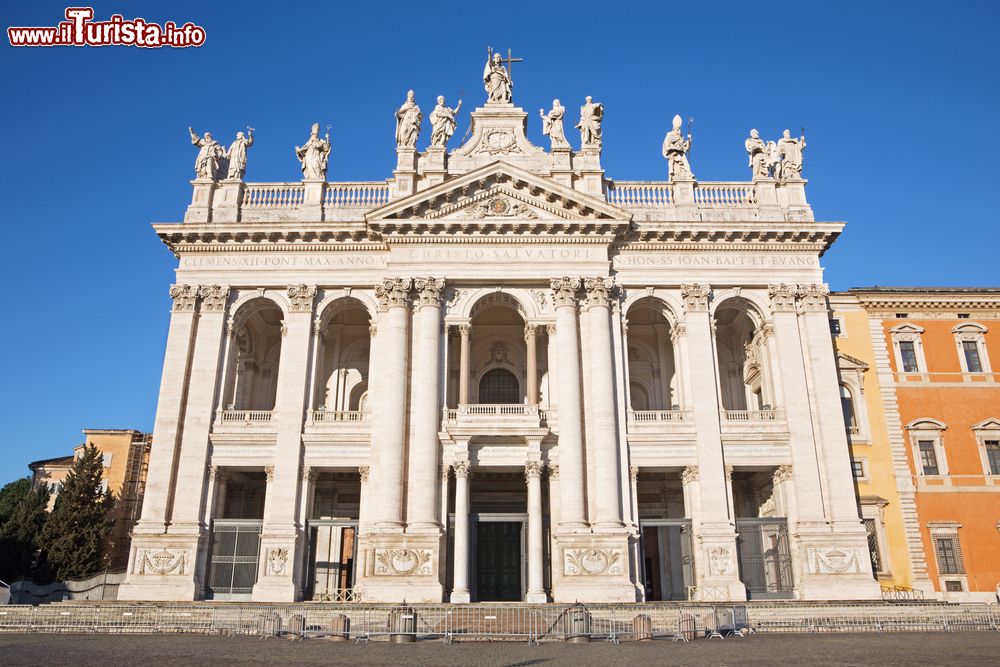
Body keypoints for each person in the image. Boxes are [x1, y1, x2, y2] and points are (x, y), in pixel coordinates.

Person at [661, 114, 693, 180]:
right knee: (676, 169)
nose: (678, 131)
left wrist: (689, 140)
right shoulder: (670, 136)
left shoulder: (681, 138)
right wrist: (676, 148)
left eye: (679, 129)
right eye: (677, 129)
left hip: (681, 155)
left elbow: (686, 148)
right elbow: (667, 145)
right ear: (674, 129)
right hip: (674, 155)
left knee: (686, 166)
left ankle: (688, 175)